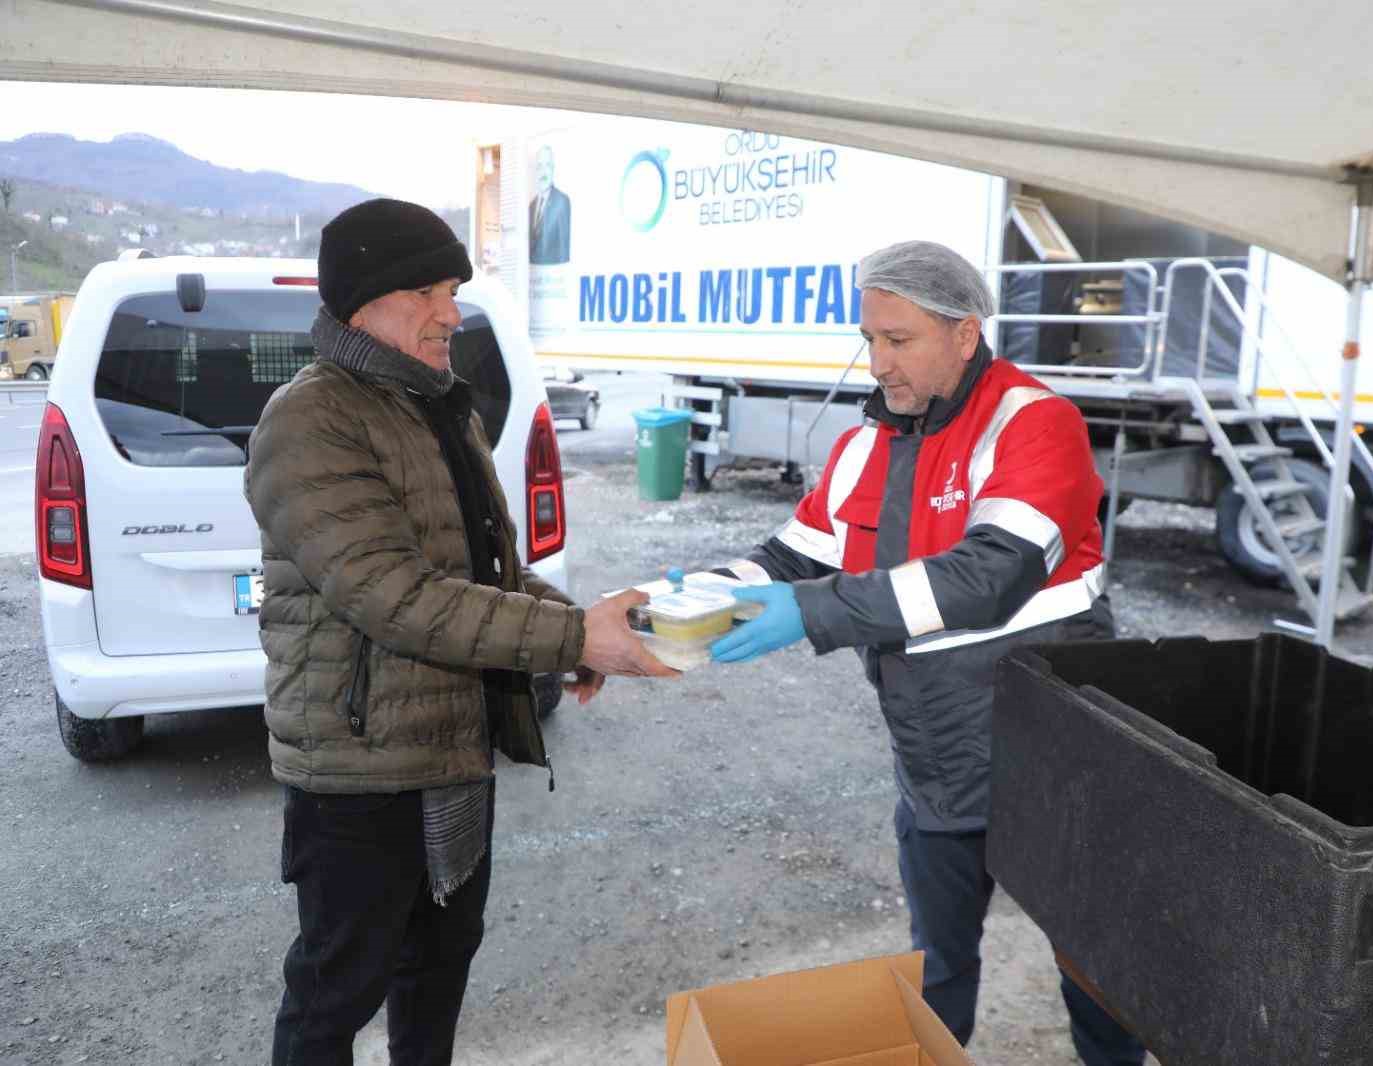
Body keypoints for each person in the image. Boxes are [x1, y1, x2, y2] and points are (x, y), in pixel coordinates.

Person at [246, 198, 673, 1066]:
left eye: (453, 290)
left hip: (450, 754)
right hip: (360, 774)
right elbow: (395, 597)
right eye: (429, 291)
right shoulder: (311, 420)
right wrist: (571, 641)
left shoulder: (439, 407)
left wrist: (573, 625)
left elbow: (484, 573)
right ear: (364, 304)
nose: (452, 312)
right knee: (334, 997)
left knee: (438, 978)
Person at [707, 240, 1145, 1064]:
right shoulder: (865, 445)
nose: (877, 362)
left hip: (1055, 758)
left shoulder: (1035, 422)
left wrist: (812, 613)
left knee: (1096, 971)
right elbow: (793, 557)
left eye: (898, 340)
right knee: (937, 968)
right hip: (938, 757)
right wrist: (686, 601)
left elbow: (992, 575)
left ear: (965, 334)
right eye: (868, 339)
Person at [528, 145, 572, 266]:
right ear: (535, 171)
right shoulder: (531, 206)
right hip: (535, 278)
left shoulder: (562, 202)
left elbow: (564, 250)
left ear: (553, 168)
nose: (543, 172)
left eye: (547, 165)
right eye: (539, 167)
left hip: (554, 278)